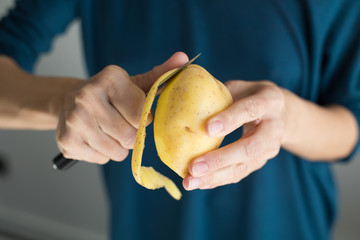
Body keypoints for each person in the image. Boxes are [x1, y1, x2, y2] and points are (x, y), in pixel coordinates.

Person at [1, 0, 359, 239]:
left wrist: (289, 119)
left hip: (286, 226)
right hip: (146, 227)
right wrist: (62, 101)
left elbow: (350, 124)